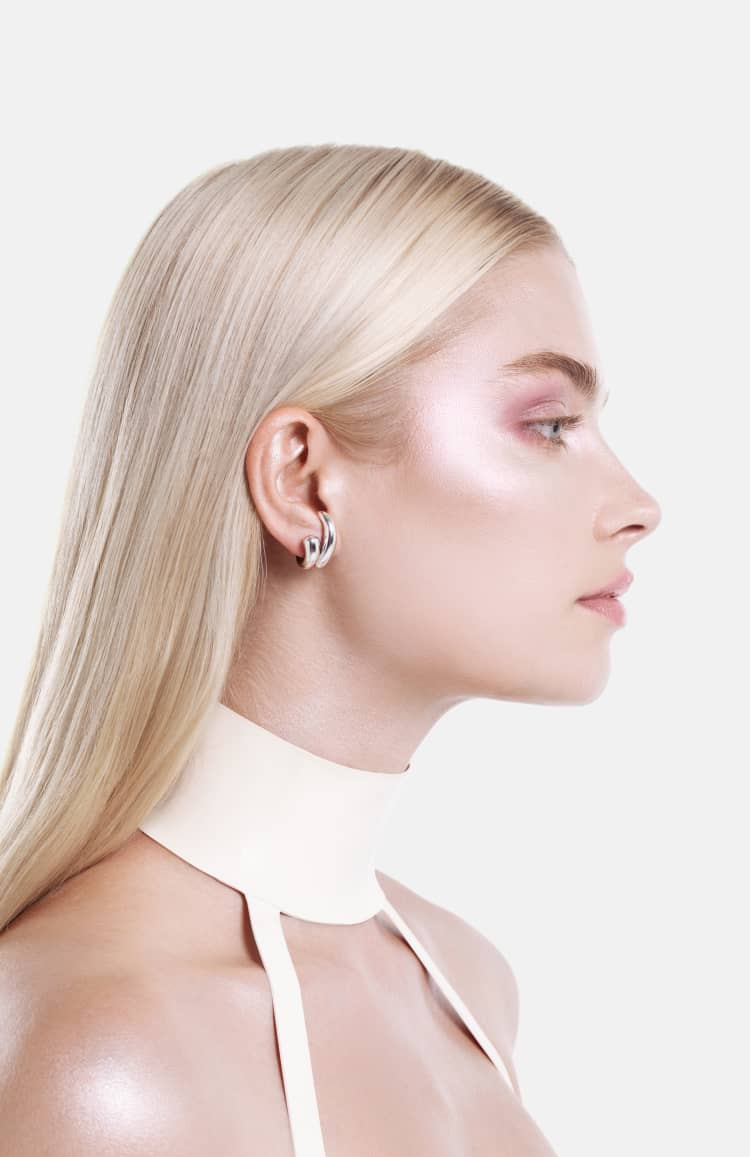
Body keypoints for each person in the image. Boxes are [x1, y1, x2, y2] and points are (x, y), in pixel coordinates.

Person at [0, 145, 661, 1155]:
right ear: (303, 481)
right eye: (547, 423)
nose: (639, 505)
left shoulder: (468, 985)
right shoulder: (107, 1060)